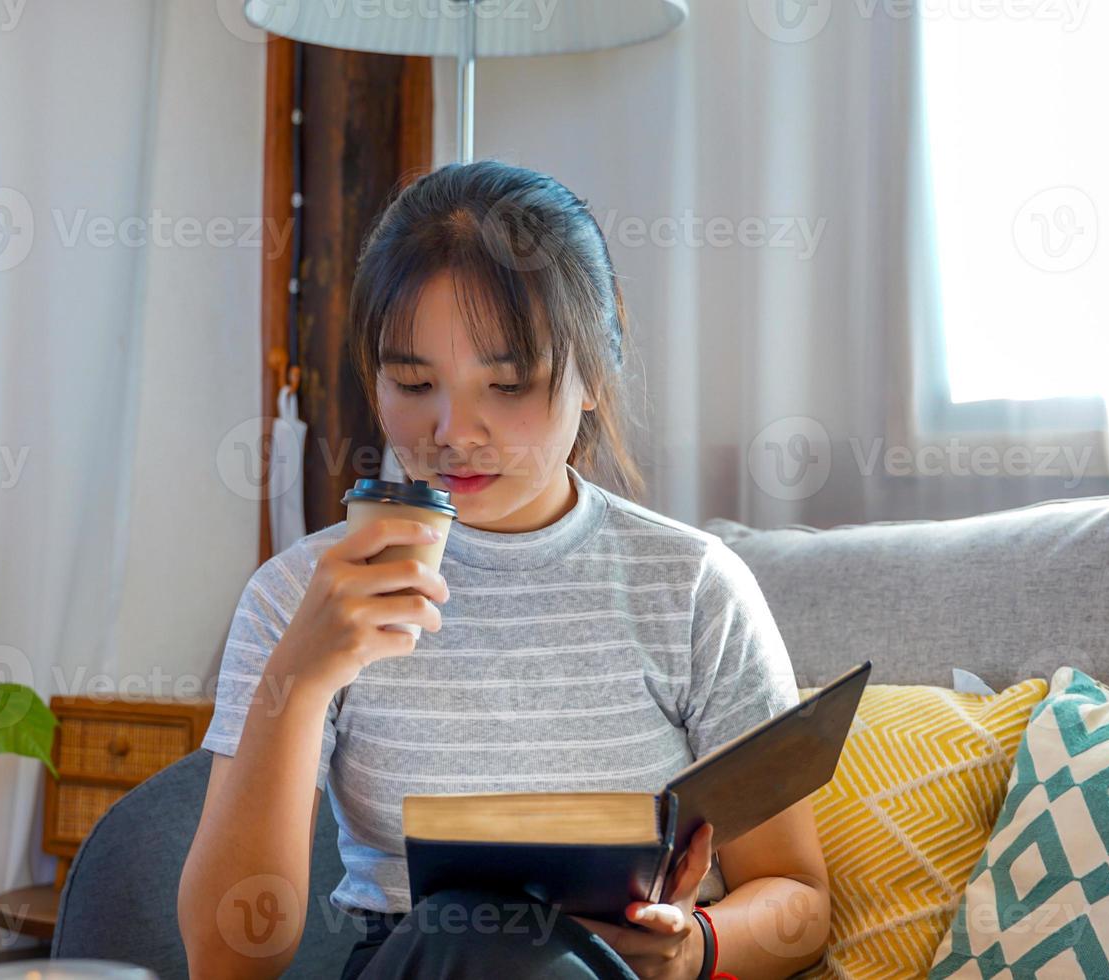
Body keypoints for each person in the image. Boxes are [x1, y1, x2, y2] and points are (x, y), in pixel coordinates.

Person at [178, 160, 830, 980]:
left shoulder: (692, 586)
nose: (453, 430)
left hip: (623, 969)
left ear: (593, 375)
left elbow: (799, 902)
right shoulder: (301, 596)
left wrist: (693, 946)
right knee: (459, 933)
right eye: (413, 381)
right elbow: (227, 958)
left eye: (509, 384)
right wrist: (300, 680)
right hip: (416, 966)